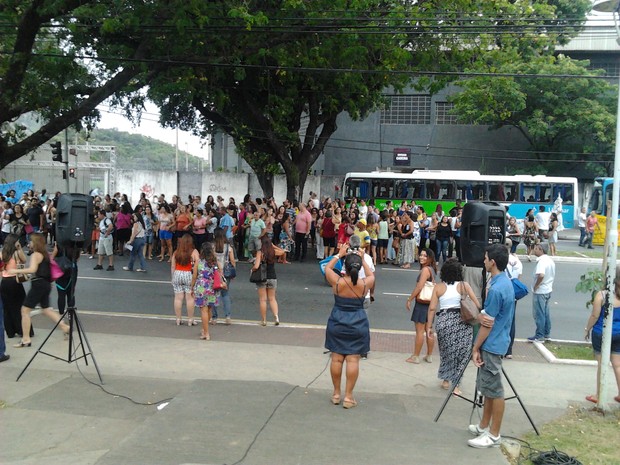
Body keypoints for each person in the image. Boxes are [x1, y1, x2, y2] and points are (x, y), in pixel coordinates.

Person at [468, 244, 515, 448]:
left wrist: (475, 347)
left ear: (493, 262)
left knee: (494, 390)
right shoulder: (503, 281)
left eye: (486, 258)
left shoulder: (497, 288)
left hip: (492, 344)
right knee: (487, 387)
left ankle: (494, 434)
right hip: (497, 341)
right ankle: (484, 425)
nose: (484, 261)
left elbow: (487, 323)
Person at [324, 244, 375, 408]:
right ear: (358, 267)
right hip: (358, 322)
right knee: (353, 359)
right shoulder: (364, 284)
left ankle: (336, 394)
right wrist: (362, 258)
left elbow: (327, 268)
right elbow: (371, 275)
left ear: (345, 266)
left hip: (337, 320)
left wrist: (339, 254)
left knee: (337, 358)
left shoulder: (338, 282)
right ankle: (348, 397)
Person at [6, 233, 69, 347]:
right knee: (46, 309)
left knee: (25, 310)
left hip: (38, 284)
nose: (29, 243)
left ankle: (26, 339)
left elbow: (32, 269)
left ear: (35, 243)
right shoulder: (45, 254)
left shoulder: (36, 255)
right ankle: (65, 326)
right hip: (45, 284)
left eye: (30, 241)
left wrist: (15, 271)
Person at [427, 258, 480, 395]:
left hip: (444, 321)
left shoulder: (438, 287)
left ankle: (445, 379)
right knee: (461, 354)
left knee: (447, 352)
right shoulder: (464, 286)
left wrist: (429, 327)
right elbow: (477, 305)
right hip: (462, 321)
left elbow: (432, 309)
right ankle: (456, 385)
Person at [584, 267, 620, 404]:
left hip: (602, 333)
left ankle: (599, 394)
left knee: (601, 364)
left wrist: (587, 329)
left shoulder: (602, 295)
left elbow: (595, 315)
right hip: (619, 333)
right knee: (618, 364)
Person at [405, 248, 437, 364]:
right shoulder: (432, 270)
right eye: (421, 255)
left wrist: (410, 299)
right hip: (430, 305)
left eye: (425, 256)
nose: (421, 257)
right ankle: (429, 355)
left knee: (419, 331)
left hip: (422, 304)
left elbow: (419, 287)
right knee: (429, 330)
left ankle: (416, 356)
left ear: (430, 258)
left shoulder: (425, 270)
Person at [1, 234, 32, 339]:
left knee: (7, 307)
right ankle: (21, 330)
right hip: (14, 281)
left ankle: (10, 331)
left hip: (4, 282)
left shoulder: (2, 253)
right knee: (19, 306)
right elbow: (24, 260)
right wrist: (19, 249)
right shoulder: (16, 253)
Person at [192, 242, 219, 340]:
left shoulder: (199, 262)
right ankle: (204, 329)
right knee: (209, 309)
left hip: (201, 287)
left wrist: (192, 287)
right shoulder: (214, 261)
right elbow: (219, 272)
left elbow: (194, 275)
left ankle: (206, 333)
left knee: (203, 310)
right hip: (212, 287)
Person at [528, 243, 555, 343]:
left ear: (540, 250)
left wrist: (536, 286)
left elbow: (541, 275)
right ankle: (546, 333)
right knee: (546, 313)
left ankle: (539, 335)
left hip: (541, 291)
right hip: (548, 289)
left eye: (535, 248)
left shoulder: (541, 262)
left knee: (539, 313)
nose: (534, 250)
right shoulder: (550, 260)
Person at [171, 233, 200, 327]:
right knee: (190, 298)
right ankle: (190, 319)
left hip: (177, 273)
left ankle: (178, 319)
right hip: (188, 274)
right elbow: (197, 266)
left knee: (178, 298)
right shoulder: (194, 252)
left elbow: (172, 266)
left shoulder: (176, 252)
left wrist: (173, 277)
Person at [251, 235, 280, 326]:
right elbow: (283, 252)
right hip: (272, 277)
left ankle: (264, 320)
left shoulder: (260, 253)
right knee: (272, 298)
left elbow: (256, 266)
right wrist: (273, 246)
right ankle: (276, 317)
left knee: (263, 300)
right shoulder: (273, 252)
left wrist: (253, 269)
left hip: (262, 277)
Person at [213, 228, 236, 325]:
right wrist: (233, 272)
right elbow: (233, 261)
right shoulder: (228, 247)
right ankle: (228, 316)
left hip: (215, 273)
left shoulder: (212, 247)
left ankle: (214, 317)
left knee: (214, 295)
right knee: (225, 294)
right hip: (226, 273)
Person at [504, 239, 522, 359]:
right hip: (512, 293)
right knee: (511, 320)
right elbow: (518, 277)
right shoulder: (517, 261)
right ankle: (509, 350)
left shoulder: (500, 259)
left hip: (502, 292)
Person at [53, 243, 79, 315]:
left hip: (60, 270)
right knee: (71, 293)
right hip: (72, 270)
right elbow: (77, 256)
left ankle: (61, 313)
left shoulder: (59, 242)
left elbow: (54, 254)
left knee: (61, 294)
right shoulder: (74, 242)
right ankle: (70, 313)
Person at [123, 207, 147, 272]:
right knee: (140, 254)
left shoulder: (136, 224)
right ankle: (143, 267)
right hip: (142, 239)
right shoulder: (141, 224)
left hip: (137, 240)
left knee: (133, 253)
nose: (133, 218)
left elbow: (134, 233)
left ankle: (130, 267)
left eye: (134, 216)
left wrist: (130, 240)